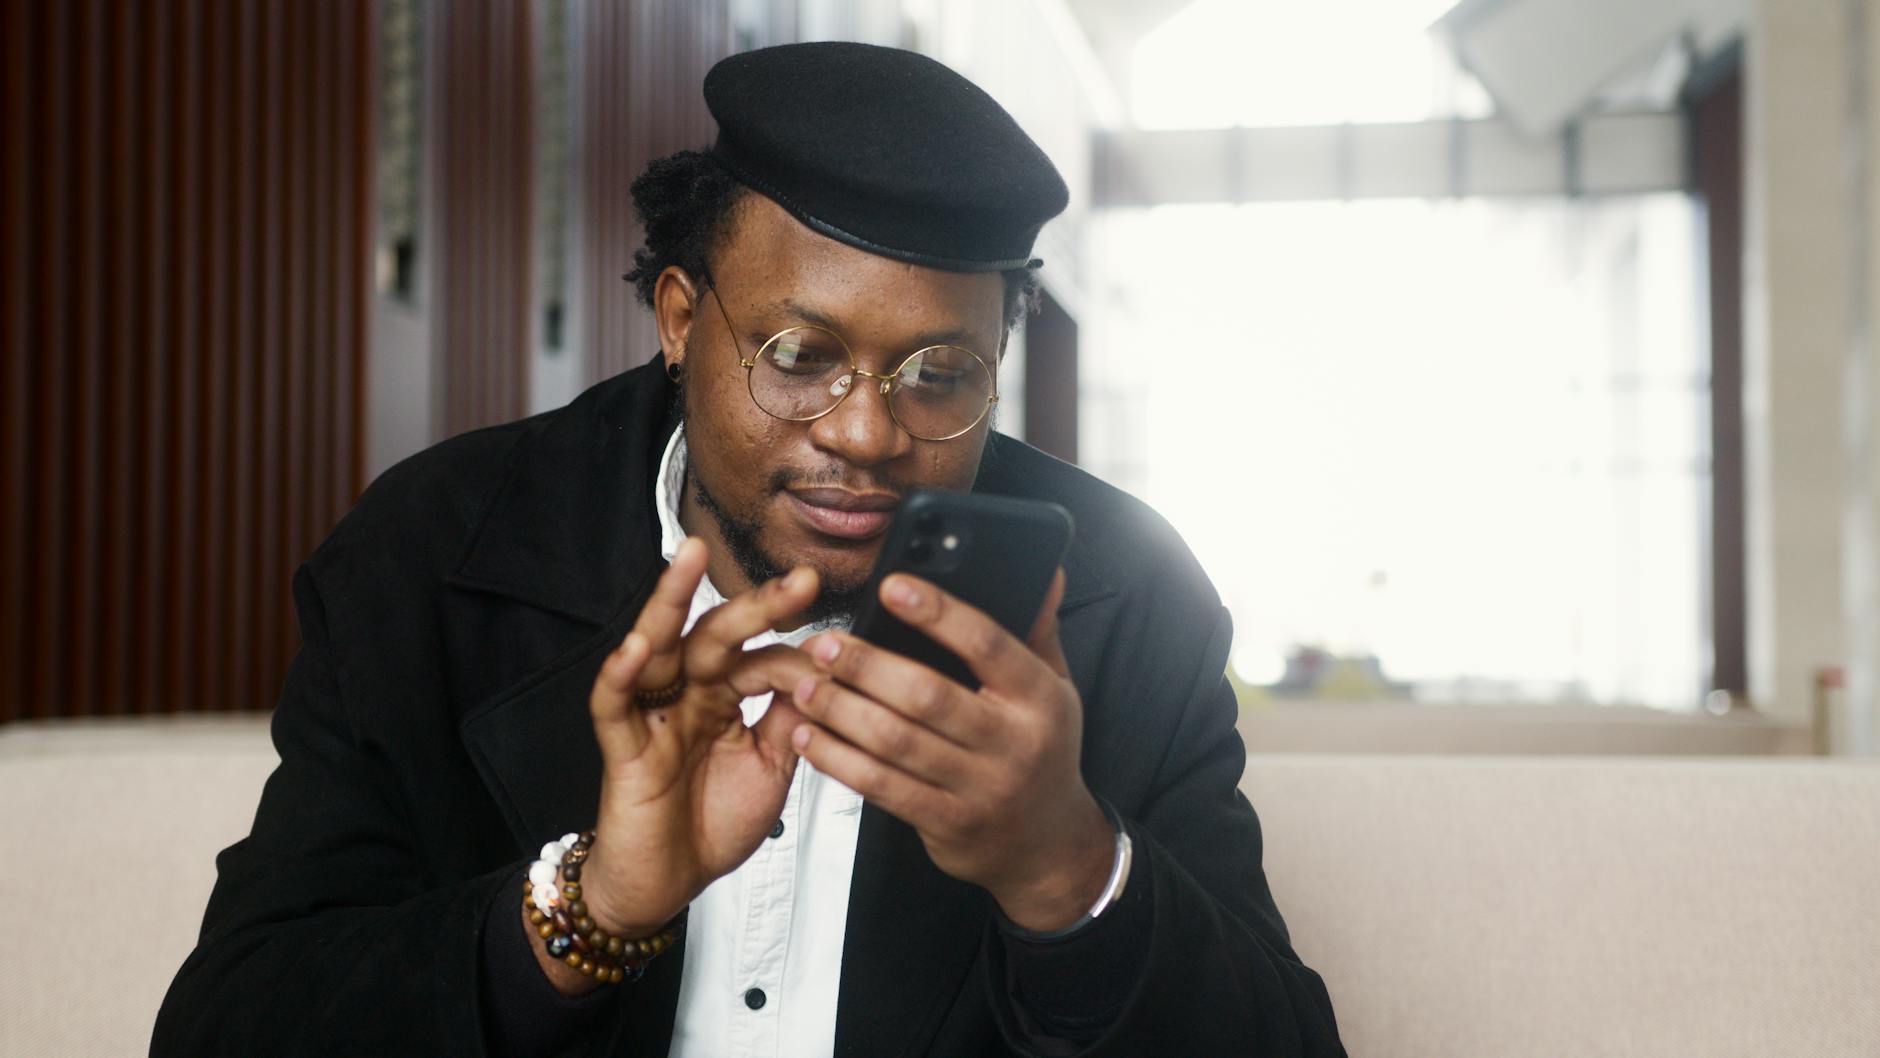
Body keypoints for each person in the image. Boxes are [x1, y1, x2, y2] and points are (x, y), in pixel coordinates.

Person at [152, 41, 1344, 1057]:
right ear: (680, 317)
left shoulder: (1130, 599)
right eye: (797, 354)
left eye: (940, 374)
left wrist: (1064, 869)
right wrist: (591, 906)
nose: (866, 432)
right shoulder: (431, 554)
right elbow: (230, 1023)